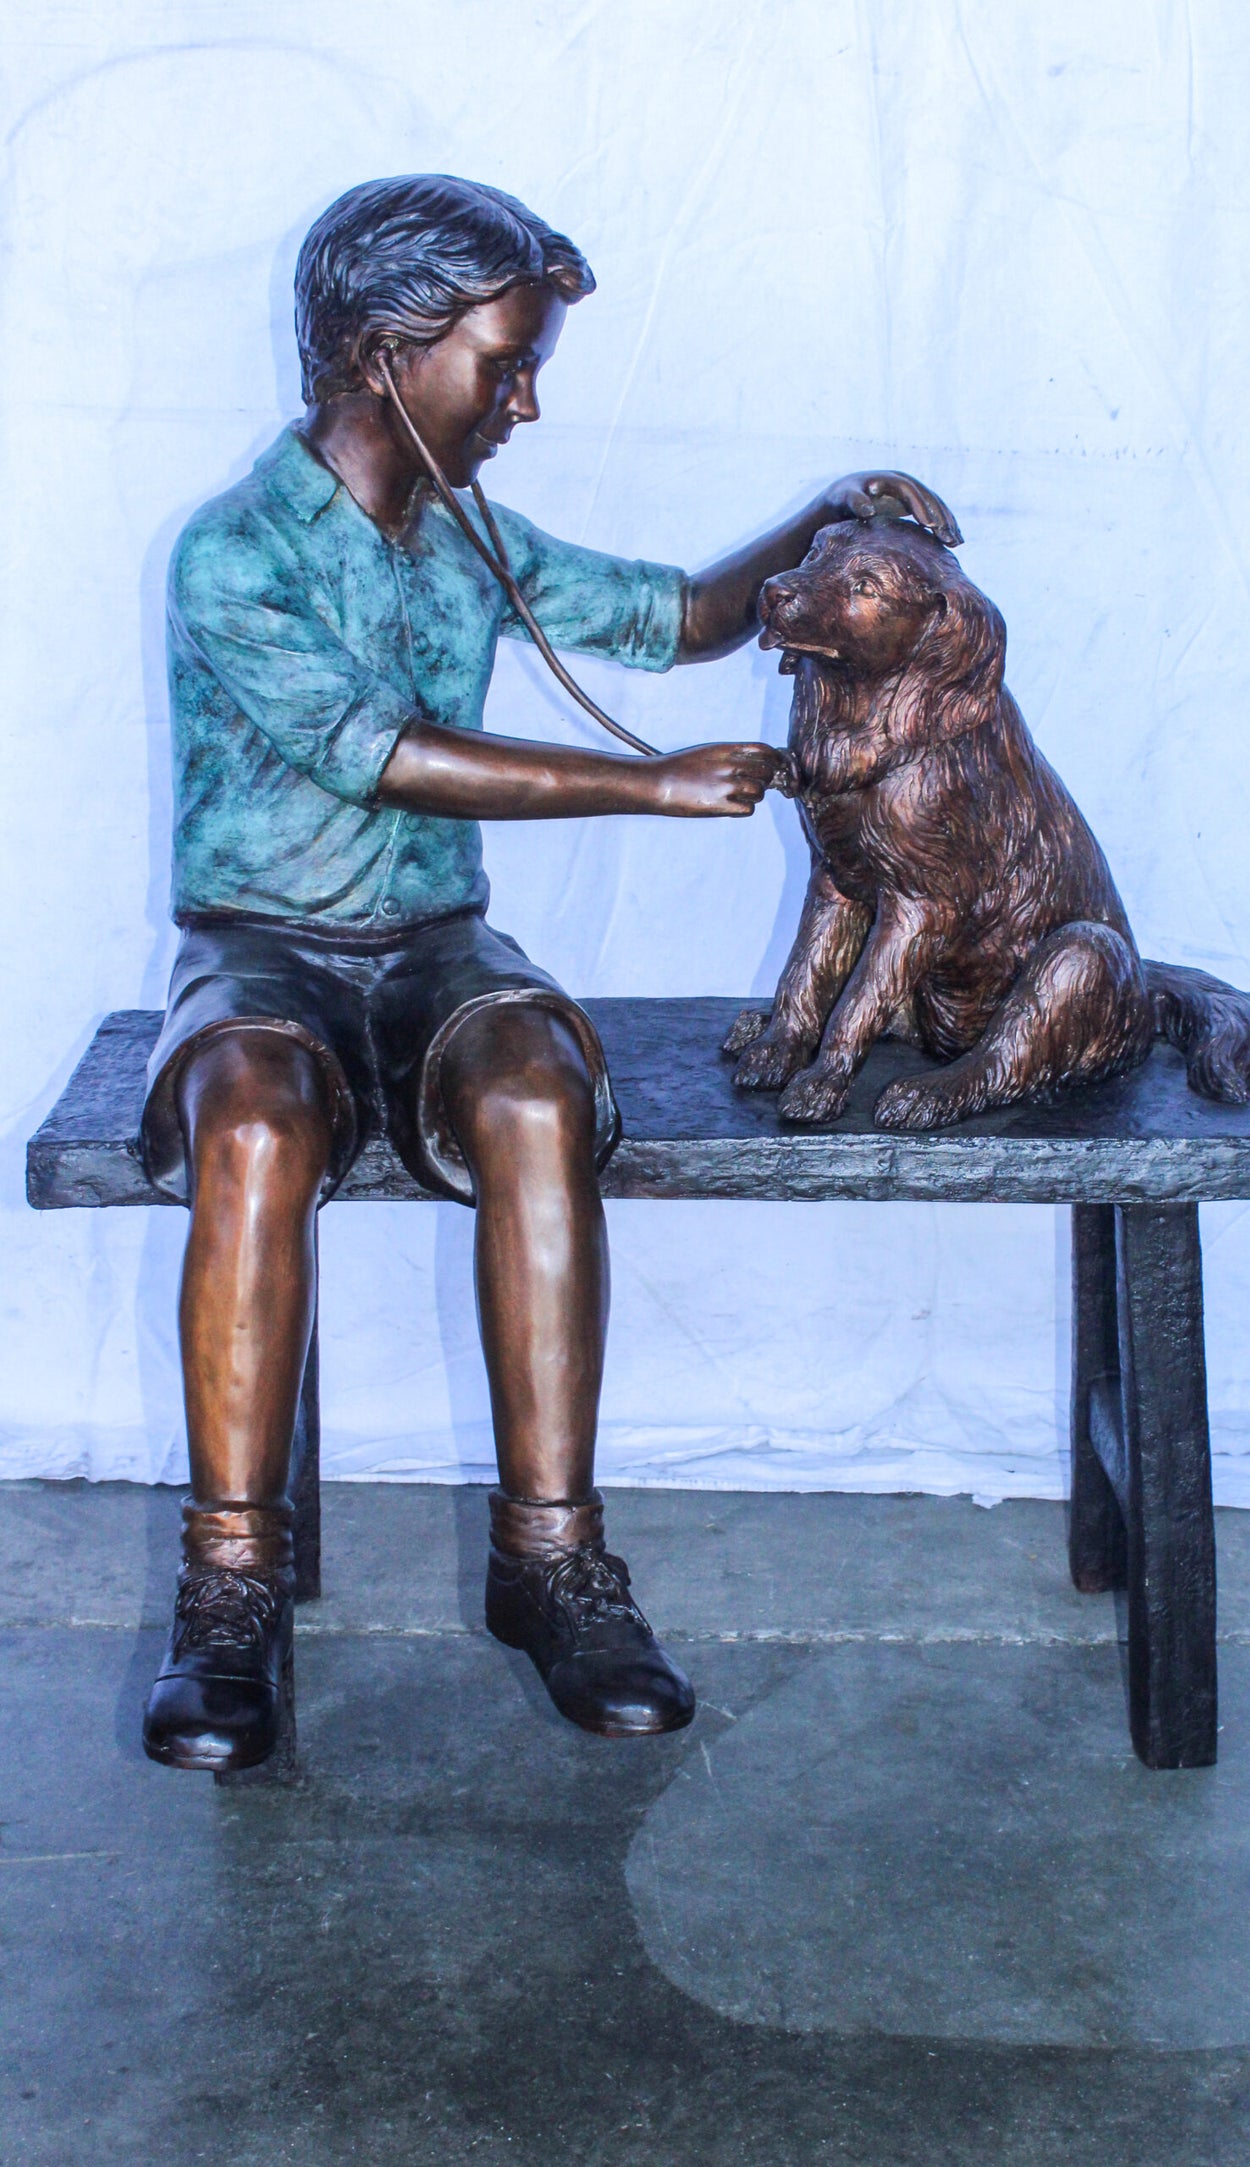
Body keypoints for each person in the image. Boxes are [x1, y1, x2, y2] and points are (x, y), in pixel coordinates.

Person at [140, 173, 959, 1773]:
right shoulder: (234, 552)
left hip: (433, 952)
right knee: (250, 1120)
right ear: (385, 356)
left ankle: (551, 1558)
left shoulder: (468, 539)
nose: (523, 403)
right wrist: (646, 787)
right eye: (504, 364)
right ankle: (229, 1588)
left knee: (536, 1093)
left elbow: (681, 616)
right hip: (264, 954)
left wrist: (821, 522)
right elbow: (382, 755)